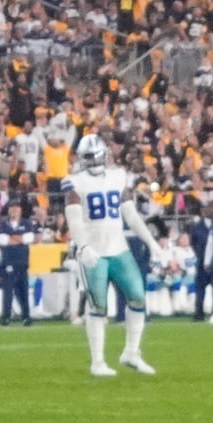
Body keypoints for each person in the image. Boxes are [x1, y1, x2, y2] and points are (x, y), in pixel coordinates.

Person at [63, 133, 164, 376]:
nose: (96, 161)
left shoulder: (118, 176)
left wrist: (151, 242)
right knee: (98, 306)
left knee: (138, 298)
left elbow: (130, 214)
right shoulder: (74, 182)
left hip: (119, 248)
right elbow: (74, 218)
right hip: (93, 252)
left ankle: (131, 352)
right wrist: (83, 246)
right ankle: (97, 362)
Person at [0, 200, 35, 325]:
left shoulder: (26, 223)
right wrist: (20, 239)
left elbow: (29, 238)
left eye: (16, 207)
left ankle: (26, 317)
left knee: (23, 291)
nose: (14, 210)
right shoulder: (3, 224)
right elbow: (2, 240)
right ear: (8, 210)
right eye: (12, 208)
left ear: (20, 210)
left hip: (22, 262)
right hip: (8, 261)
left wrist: (11, 237)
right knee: (8, 291)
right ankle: (6, 317)